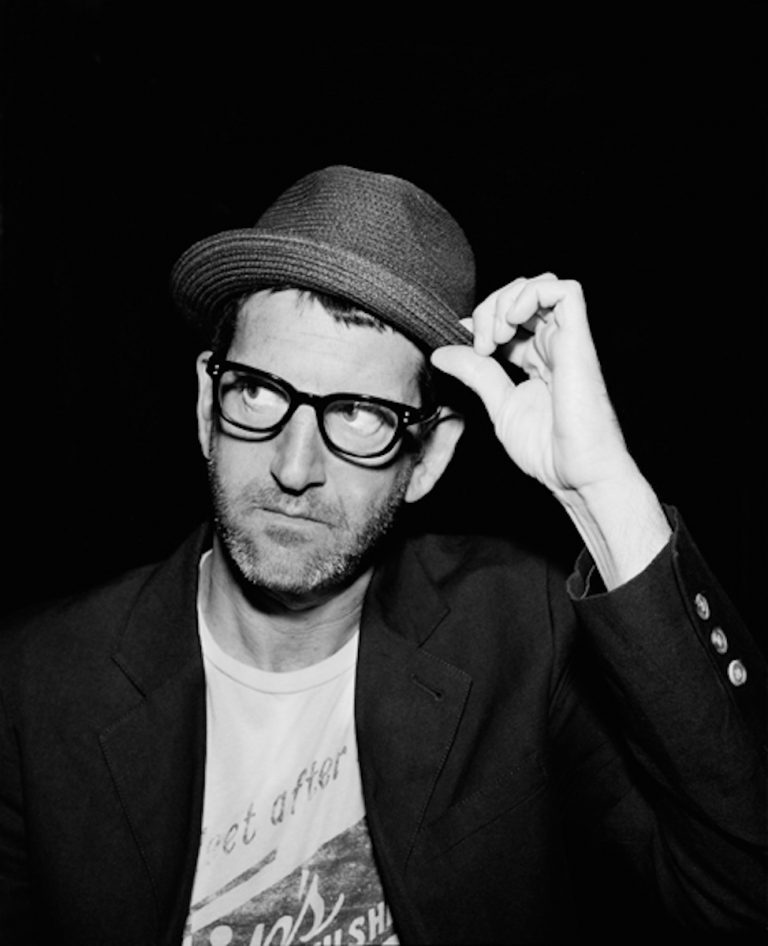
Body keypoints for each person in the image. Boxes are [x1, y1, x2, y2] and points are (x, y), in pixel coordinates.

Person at [0, 165, 765, 946]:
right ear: (207, 403)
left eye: (360, 415)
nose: (294, 466)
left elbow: (743, 893)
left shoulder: (517, 638)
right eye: (259, 392)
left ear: (428, 459)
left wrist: (601, 491)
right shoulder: (36, 684)